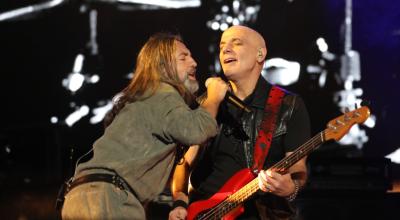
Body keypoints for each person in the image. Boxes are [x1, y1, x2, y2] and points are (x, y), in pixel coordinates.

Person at [60, 32, 230, 219]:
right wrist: (214, 96)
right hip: (110, 200)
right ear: (163, 67)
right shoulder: (162, 93)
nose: (194, 62)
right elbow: (197, 131)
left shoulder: (143, 100)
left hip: (82, 197)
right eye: (184, 57)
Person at [169, 25, 311, 220]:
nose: (225, 50)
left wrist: (290, 188)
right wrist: (179, 202)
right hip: (203, 212)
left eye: (236, 43)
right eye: (222, 46)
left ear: (260, 54)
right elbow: (183, 162)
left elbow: (298, 169)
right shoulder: (206, 103)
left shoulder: (288, 105)